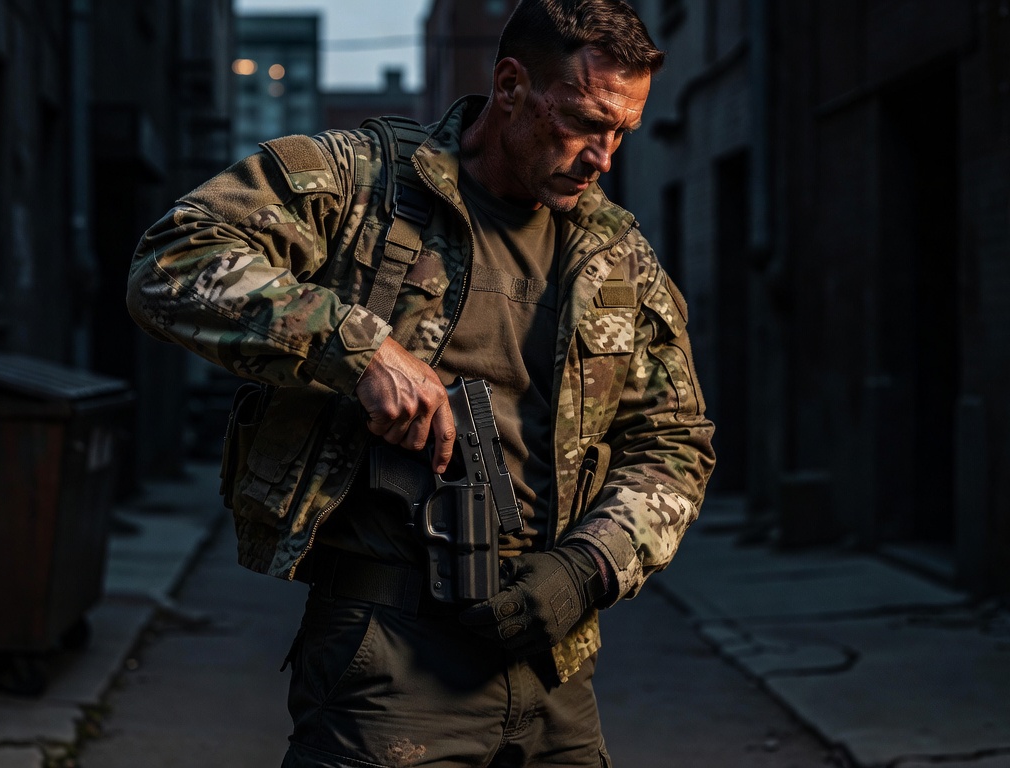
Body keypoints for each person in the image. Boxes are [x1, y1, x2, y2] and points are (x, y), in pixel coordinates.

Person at [127, 0, 715, 764]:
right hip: (389, 658)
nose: (603, 156)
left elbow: (674, 443)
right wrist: (359, 349)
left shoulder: (615, 254)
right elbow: (171, 262)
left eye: (622, 131)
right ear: (511, 86)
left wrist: (590, 566)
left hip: (554, 669)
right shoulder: (361, 183)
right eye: (582, 122)